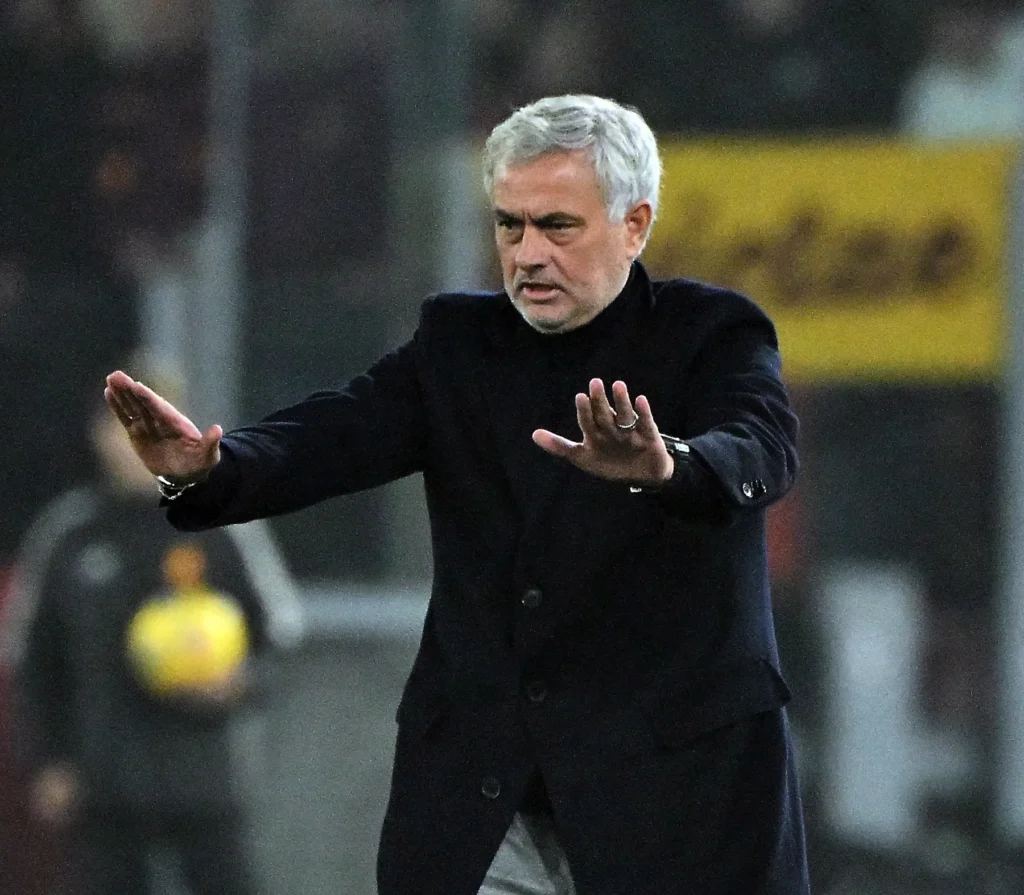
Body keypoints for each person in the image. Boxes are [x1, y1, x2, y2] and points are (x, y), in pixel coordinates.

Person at [104, 95, 809, 895]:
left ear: (635, 224)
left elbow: (762, 447)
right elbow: (339, 431)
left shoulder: (712, 333)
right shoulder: (459, 344)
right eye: (510, 225)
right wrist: (210, 467)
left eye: (558, 226)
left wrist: (670, 465)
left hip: (676, 808)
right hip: (490, 804)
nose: (528, 254)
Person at [3, 358, 302, 895]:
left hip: (204, 782)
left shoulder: (222, 522)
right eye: (125, 424)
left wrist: (239, 683)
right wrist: (50, 760)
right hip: (103, 787)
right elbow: (31, 657)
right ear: (100, 435)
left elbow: (278, 633)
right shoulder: (69, 533)